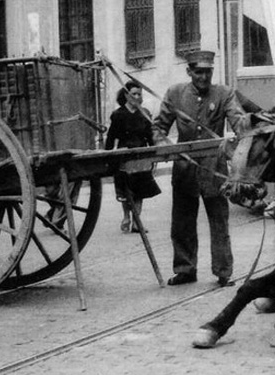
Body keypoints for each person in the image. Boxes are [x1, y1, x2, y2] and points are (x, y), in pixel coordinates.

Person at [152, 50, 248, 287]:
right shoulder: (175, 93)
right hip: (184, 170)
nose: (204, 77)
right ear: (189, 72)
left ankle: (223, 271)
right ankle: (185, 269)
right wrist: (165, 146)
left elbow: (239, 122)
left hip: (214, 170)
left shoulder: (224, 93)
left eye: (208, 72)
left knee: (219, 222)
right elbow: (158, 128)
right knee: (182, 223)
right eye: (199, 72)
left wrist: (241, 146)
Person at [105, 81, 160, 233]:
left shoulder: (145, 114)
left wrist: (154, 155)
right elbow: (111, 138)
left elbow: (150, 137)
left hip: (141, 156)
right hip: (125, 157)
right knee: (126, 191)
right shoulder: (118, 115)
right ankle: (126, 217)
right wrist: (107, 156)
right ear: (126, 95)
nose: (137, 97)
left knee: (140, 191)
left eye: (139, 94)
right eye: (133, 94)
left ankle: (137, 222)